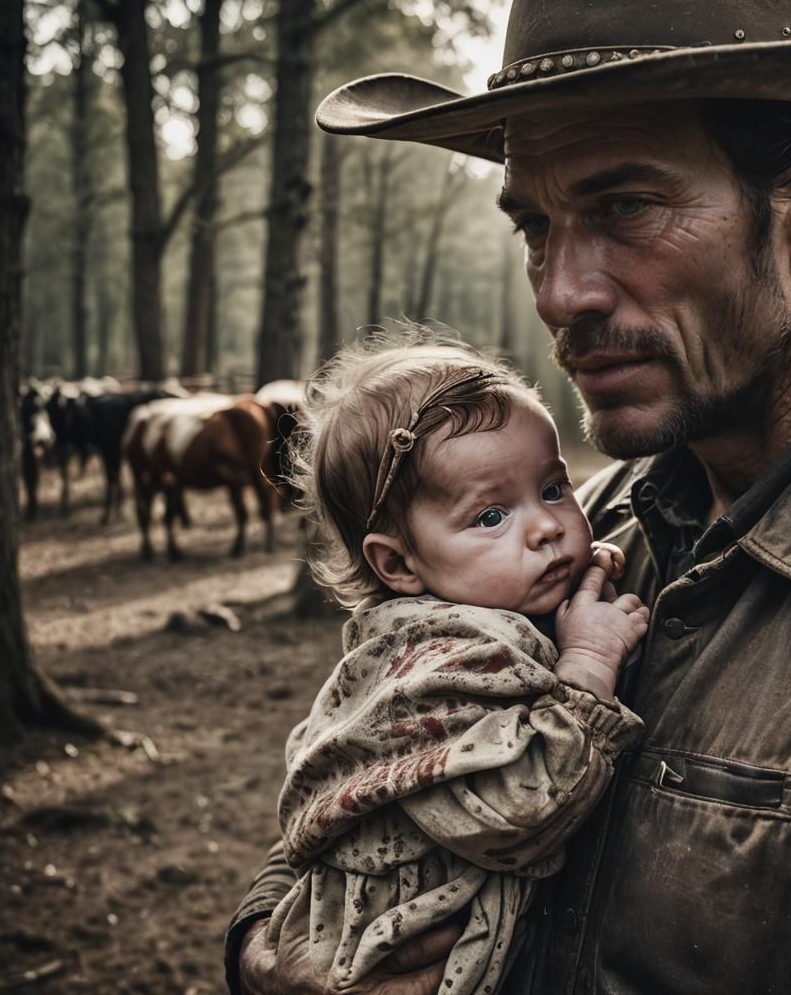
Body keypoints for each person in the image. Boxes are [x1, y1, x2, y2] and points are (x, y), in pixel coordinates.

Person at [227, 0, 791, 991]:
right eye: (535, 227)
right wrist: (264, 957)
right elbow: (349, 785)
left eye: (625, 207)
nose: (560, 293)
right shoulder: (581, 530)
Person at [262, 337, 645, 995]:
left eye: (554, 488)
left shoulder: (432, 626)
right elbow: (519, 814)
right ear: (398, 564)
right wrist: (586, 663)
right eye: (491, 516)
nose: (547, 527)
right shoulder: (444, 660)